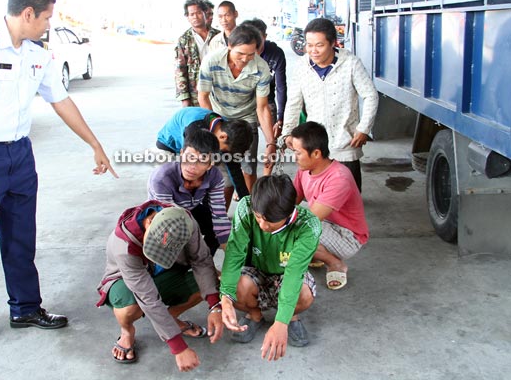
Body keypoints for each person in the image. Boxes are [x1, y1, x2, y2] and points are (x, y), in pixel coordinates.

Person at [0, 0, 117, 346]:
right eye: (46, 18)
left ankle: (25, 307)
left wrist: (94, 143)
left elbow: (60, 100)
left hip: (19, 154)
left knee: (21, 234)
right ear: (28, 13)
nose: (48, 25)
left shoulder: (38, 53)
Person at [96, 205, 224, 372]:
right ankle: (127, 331)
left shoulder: (185, 221)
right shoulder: (123, 245)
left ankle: (170, 318)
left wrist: (215, 307)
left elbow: (201, 260)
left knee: (217, 280)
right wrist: (178, 347)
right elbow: (148, 298)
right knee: (128, 307)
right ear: (149, 222)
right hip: (128, 282)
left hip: (165, 271)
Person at [219, 175, 321, 360]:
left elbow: (294, 273)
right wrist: (225, 297)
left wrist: (281, 322)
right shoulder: (245, 207)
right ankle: (255, 315)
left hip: (286, 274)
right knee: (233, 288)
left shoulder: (308, 225)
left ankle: (290, 317)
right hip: (255, 270)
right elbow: (234, 254)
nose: (262, 225)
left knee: (304, 293)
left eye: (270, 221)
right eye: (258, 218)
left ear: (289, 214)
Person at [281, 18, 378, 191]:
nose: (313, 51)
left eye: (319, 45)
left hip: (346, 142)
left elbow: (370, 95)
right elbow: (294, 102)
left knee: (348, 195)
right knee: (319, 193)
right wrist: (287, 132)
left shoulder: (350, 63)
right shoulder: (301, 66)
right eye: (309, 45)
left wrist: (364, 128)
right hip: (315, 144)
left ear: (333, 43)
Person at [198, 23, 277, 193]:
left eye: (251, 54)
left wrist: (271, 142)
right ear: (229, 46)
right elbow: (203, 97)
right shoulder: (211, 61)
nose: (244, 59)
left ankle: (251, 210)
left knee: (248, 166)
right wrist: (215, 128)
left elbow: (262, 108)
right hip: (218, 117)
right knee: (220, 169)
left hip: (246, 120)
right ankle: (221, 215)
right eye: (240, 53)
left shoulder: (261, 68)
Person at [290, 122, 369, 290]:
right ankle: (317, 254)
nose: (294, 157)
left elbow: (309, 221)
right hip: (326, 224)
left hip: (348, 237)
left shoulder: (339, 178)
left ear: (316, 153)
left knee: (292, 230)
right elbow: (291, 200)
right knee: (281, 222)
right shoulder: (304, 169)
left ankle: (335, 263)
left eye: (298, 153)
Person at [148, 129, 229, 255]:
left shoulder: (215, 177)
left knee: (216, 227)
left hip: (190, 210)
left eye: (202, 160)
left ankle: (205, 263)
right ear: (181, 154)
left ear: (210, 164)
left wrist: (229, 253)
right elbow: (171, 218)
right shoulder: (162, 178)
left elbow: (219, 215)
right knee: (173, 244)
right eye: (189, 157)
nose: (192, 166)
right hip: (163, 216)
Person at [156, 106, 253, 208]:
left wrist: (247, 205)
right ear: (223, 137)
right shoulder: (195, 130)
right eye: (225, 150)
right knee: (175, 185)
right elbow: (190, 167)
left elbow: (235, 170)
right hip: (169, 147)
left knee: (225, 178)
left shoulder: (228, 130)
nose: (224, 153)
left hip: (202, 146)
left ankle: (216, 215)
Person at [239, 18, 287, 140]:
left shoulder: (276, 53)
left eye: (258, 40)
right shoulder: (237, 53)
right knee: (246, 145)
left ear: (264, 37)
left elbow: (281, 87)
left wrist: (281, 117)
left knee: (273, 140)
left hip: (267, 99)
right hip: (244, 102)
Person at [175, 0, 220, 107]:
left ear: (206, 13)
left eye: (198, 13)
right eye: (191, 14)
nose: (195, 17)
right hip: (196, 93)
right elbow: (180, 70)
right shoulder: (184, 40)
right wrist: (184, 98)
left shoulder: (218, 36)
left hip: (218, 91)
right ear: (188, 17)